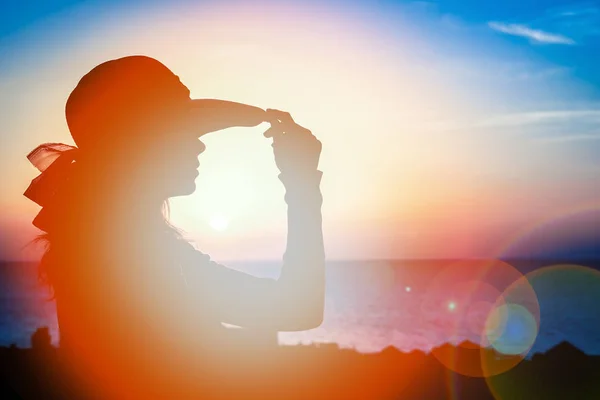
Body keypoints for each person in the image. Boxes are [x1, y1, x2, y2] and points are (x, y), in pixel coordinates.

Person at [24, 55, 325, 398]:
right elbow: (296, 308)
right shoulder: (130, 252)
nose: (200, 143)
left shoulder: (102, 237)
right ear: (140, 143)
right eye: (182, 130)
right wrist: (301, 185)